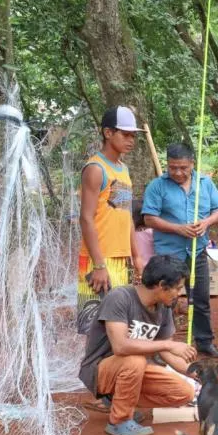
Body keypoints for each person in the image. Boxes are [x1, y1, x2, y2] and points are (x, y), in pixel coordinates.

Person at [79, 255, 198, 435]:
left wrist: (199, 375)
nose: (178, 293)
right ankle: (119, 421)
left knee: (184, 392)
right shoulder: (119, 297)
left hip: (133, 371)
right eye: (177, 287)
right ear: (161, 285)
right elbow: (120, 347)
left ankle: (119, 400)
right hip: (100, 371)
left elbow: (168, 353)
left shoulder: (163, 307)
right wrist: (168, 344)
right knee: (135, 359)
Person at [141, 144, 218, 358]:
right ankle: (161, 347)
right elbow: (149, 218)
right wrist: (177, 229)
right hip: (168, 255)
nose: (178, 173)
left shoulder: (205, 183)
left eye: (183, 168)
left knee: (201, 298)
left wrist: (206, 223)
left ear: (192, 164)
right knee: (164, 299)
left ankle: (205, 342)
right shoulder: (157, 186)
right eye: (173, 168)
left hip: (197, 251)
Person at [77, 106, 147, 335]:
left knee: (121, 326)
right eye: (125, 135)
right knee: (96, 330)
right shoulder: (95, 169)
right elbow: (86, 218)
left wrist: (136, 256)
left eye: (133, 136)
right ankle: (92, 372)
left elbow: (126, 215)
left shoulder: (123, 169)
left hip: (122, 258)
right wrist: (98, 265)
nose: (131, 140)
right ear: (108, 133)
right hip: (99, 259)